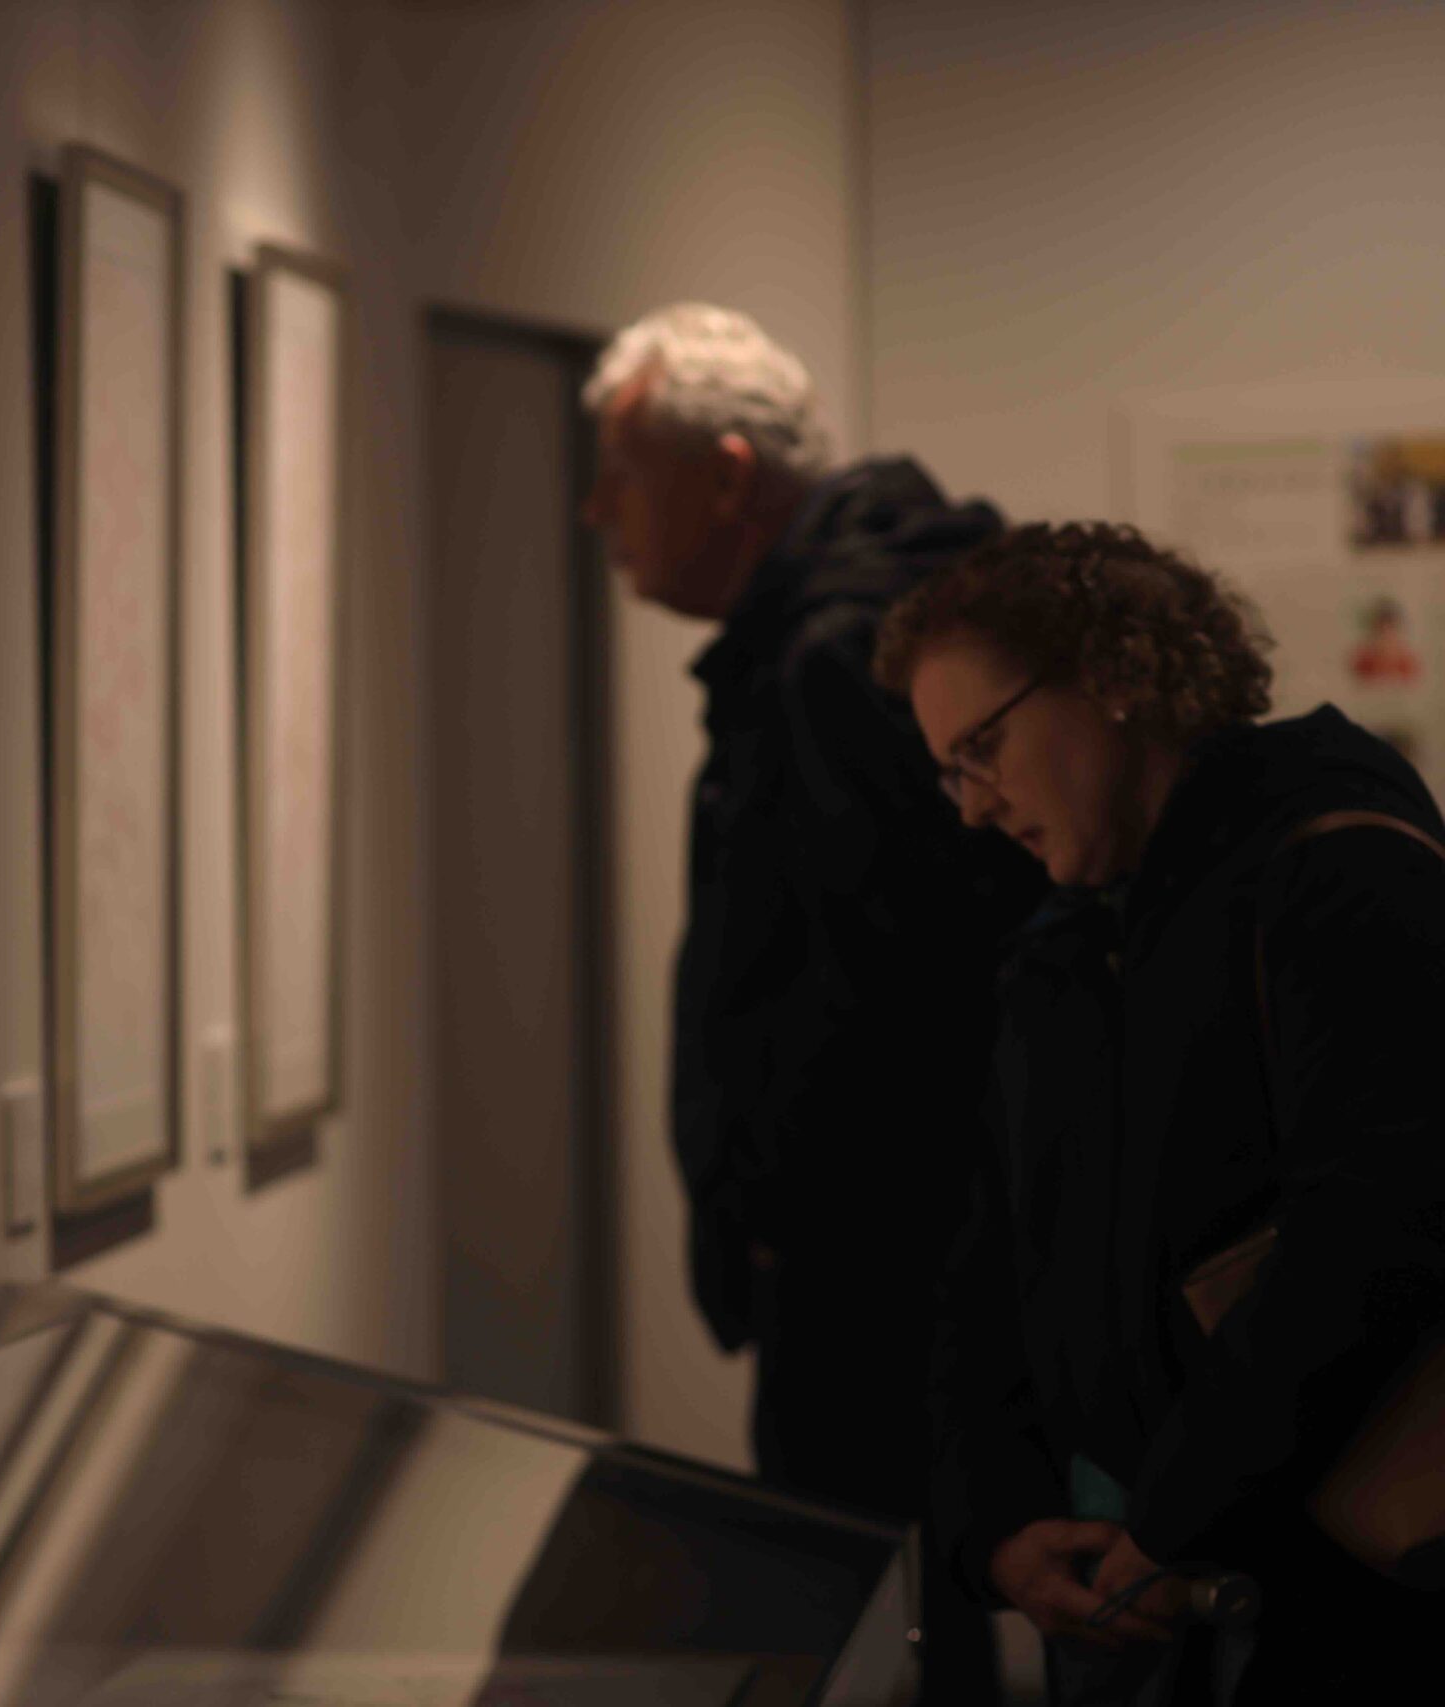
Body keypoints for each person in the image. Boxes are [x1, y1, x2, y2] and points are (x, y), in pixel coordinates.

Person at [878, 520, 1445, 1702]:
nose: (974, 806)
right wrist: (995, 1526)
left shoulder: (1336, 864)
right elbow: (988, 1265)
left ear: (1116, 679)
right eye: (950, 770)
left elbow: (1374, 1231)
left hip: (1332, 1593)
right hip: (1131, 1585)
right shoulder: (1063, 945)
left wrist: (1177, 1515)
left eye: (984, 747)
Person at [574, 303, 1039, 1701]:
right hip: (903, 1261)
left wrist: (780, 1218)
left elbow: (898, 996)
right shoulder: (867, 617)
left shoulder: (833, 653)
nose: (597, 510)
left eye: (622, 472)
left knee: (882, 1628)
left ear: (726, 473)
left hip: (874, 1275)